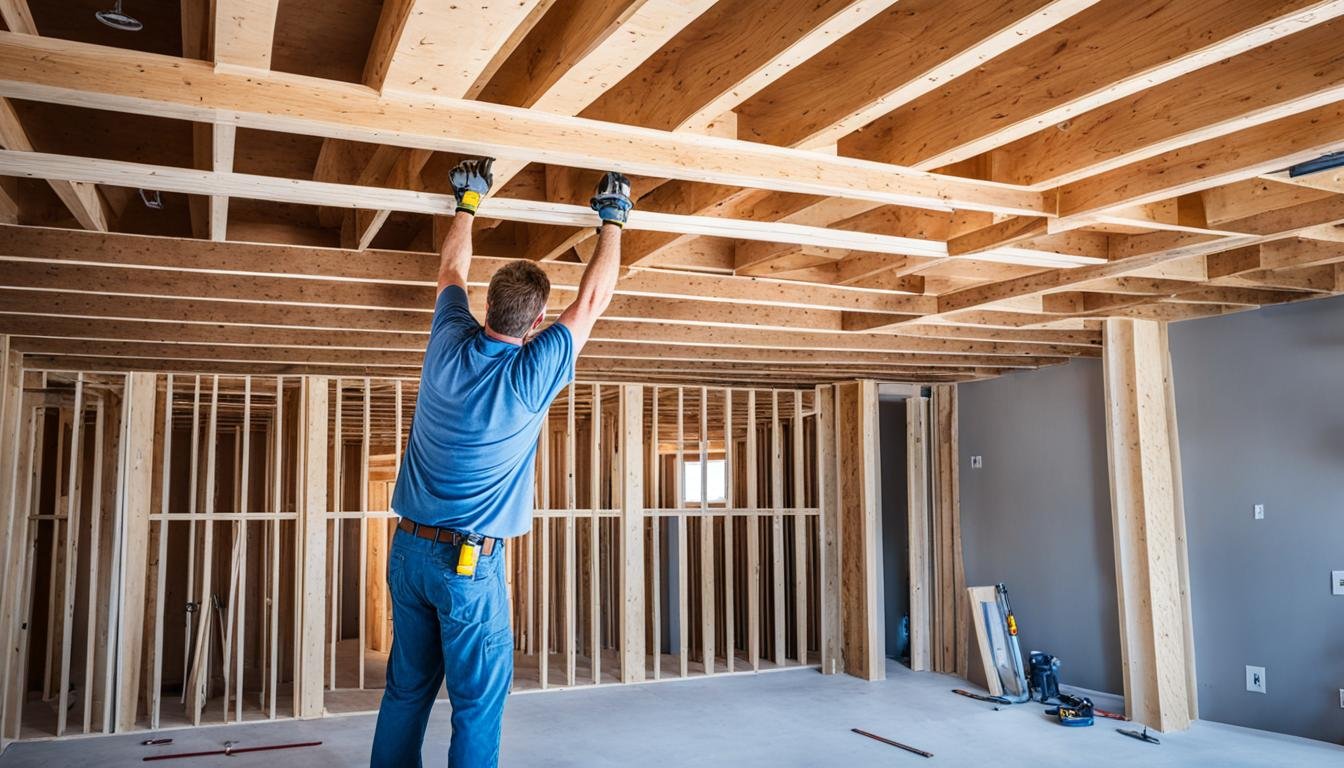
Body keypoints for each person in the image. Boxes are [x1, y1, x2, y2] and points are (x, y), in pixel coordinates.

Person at [370, 158, 632, 767]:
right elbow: (592, 300)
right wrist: (612, 222)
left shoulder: (446, 342)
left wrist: (468, 200)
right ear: (537, 323)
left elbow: (450, 269)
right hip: (468, 564)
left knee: (406, 690)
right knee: (478, 702)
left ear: (485, 308)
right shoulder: (529, 375)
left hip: (407, 552)